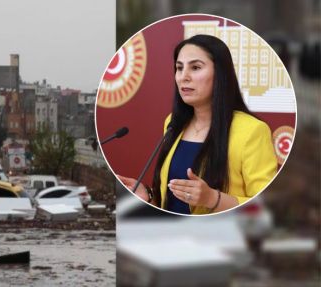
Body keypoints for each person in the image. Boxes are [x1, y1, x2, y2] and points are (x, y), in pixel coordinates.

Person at [117, 34, 277, 215]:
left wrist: (212, 199)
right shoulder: (172, 123)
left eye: (195, 67)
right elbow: (172, 201)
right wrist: (147, 197)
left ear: (220, 74)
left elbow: (266, 207)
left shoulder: (252, 131)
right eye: (179, 68)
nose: (184, 77)